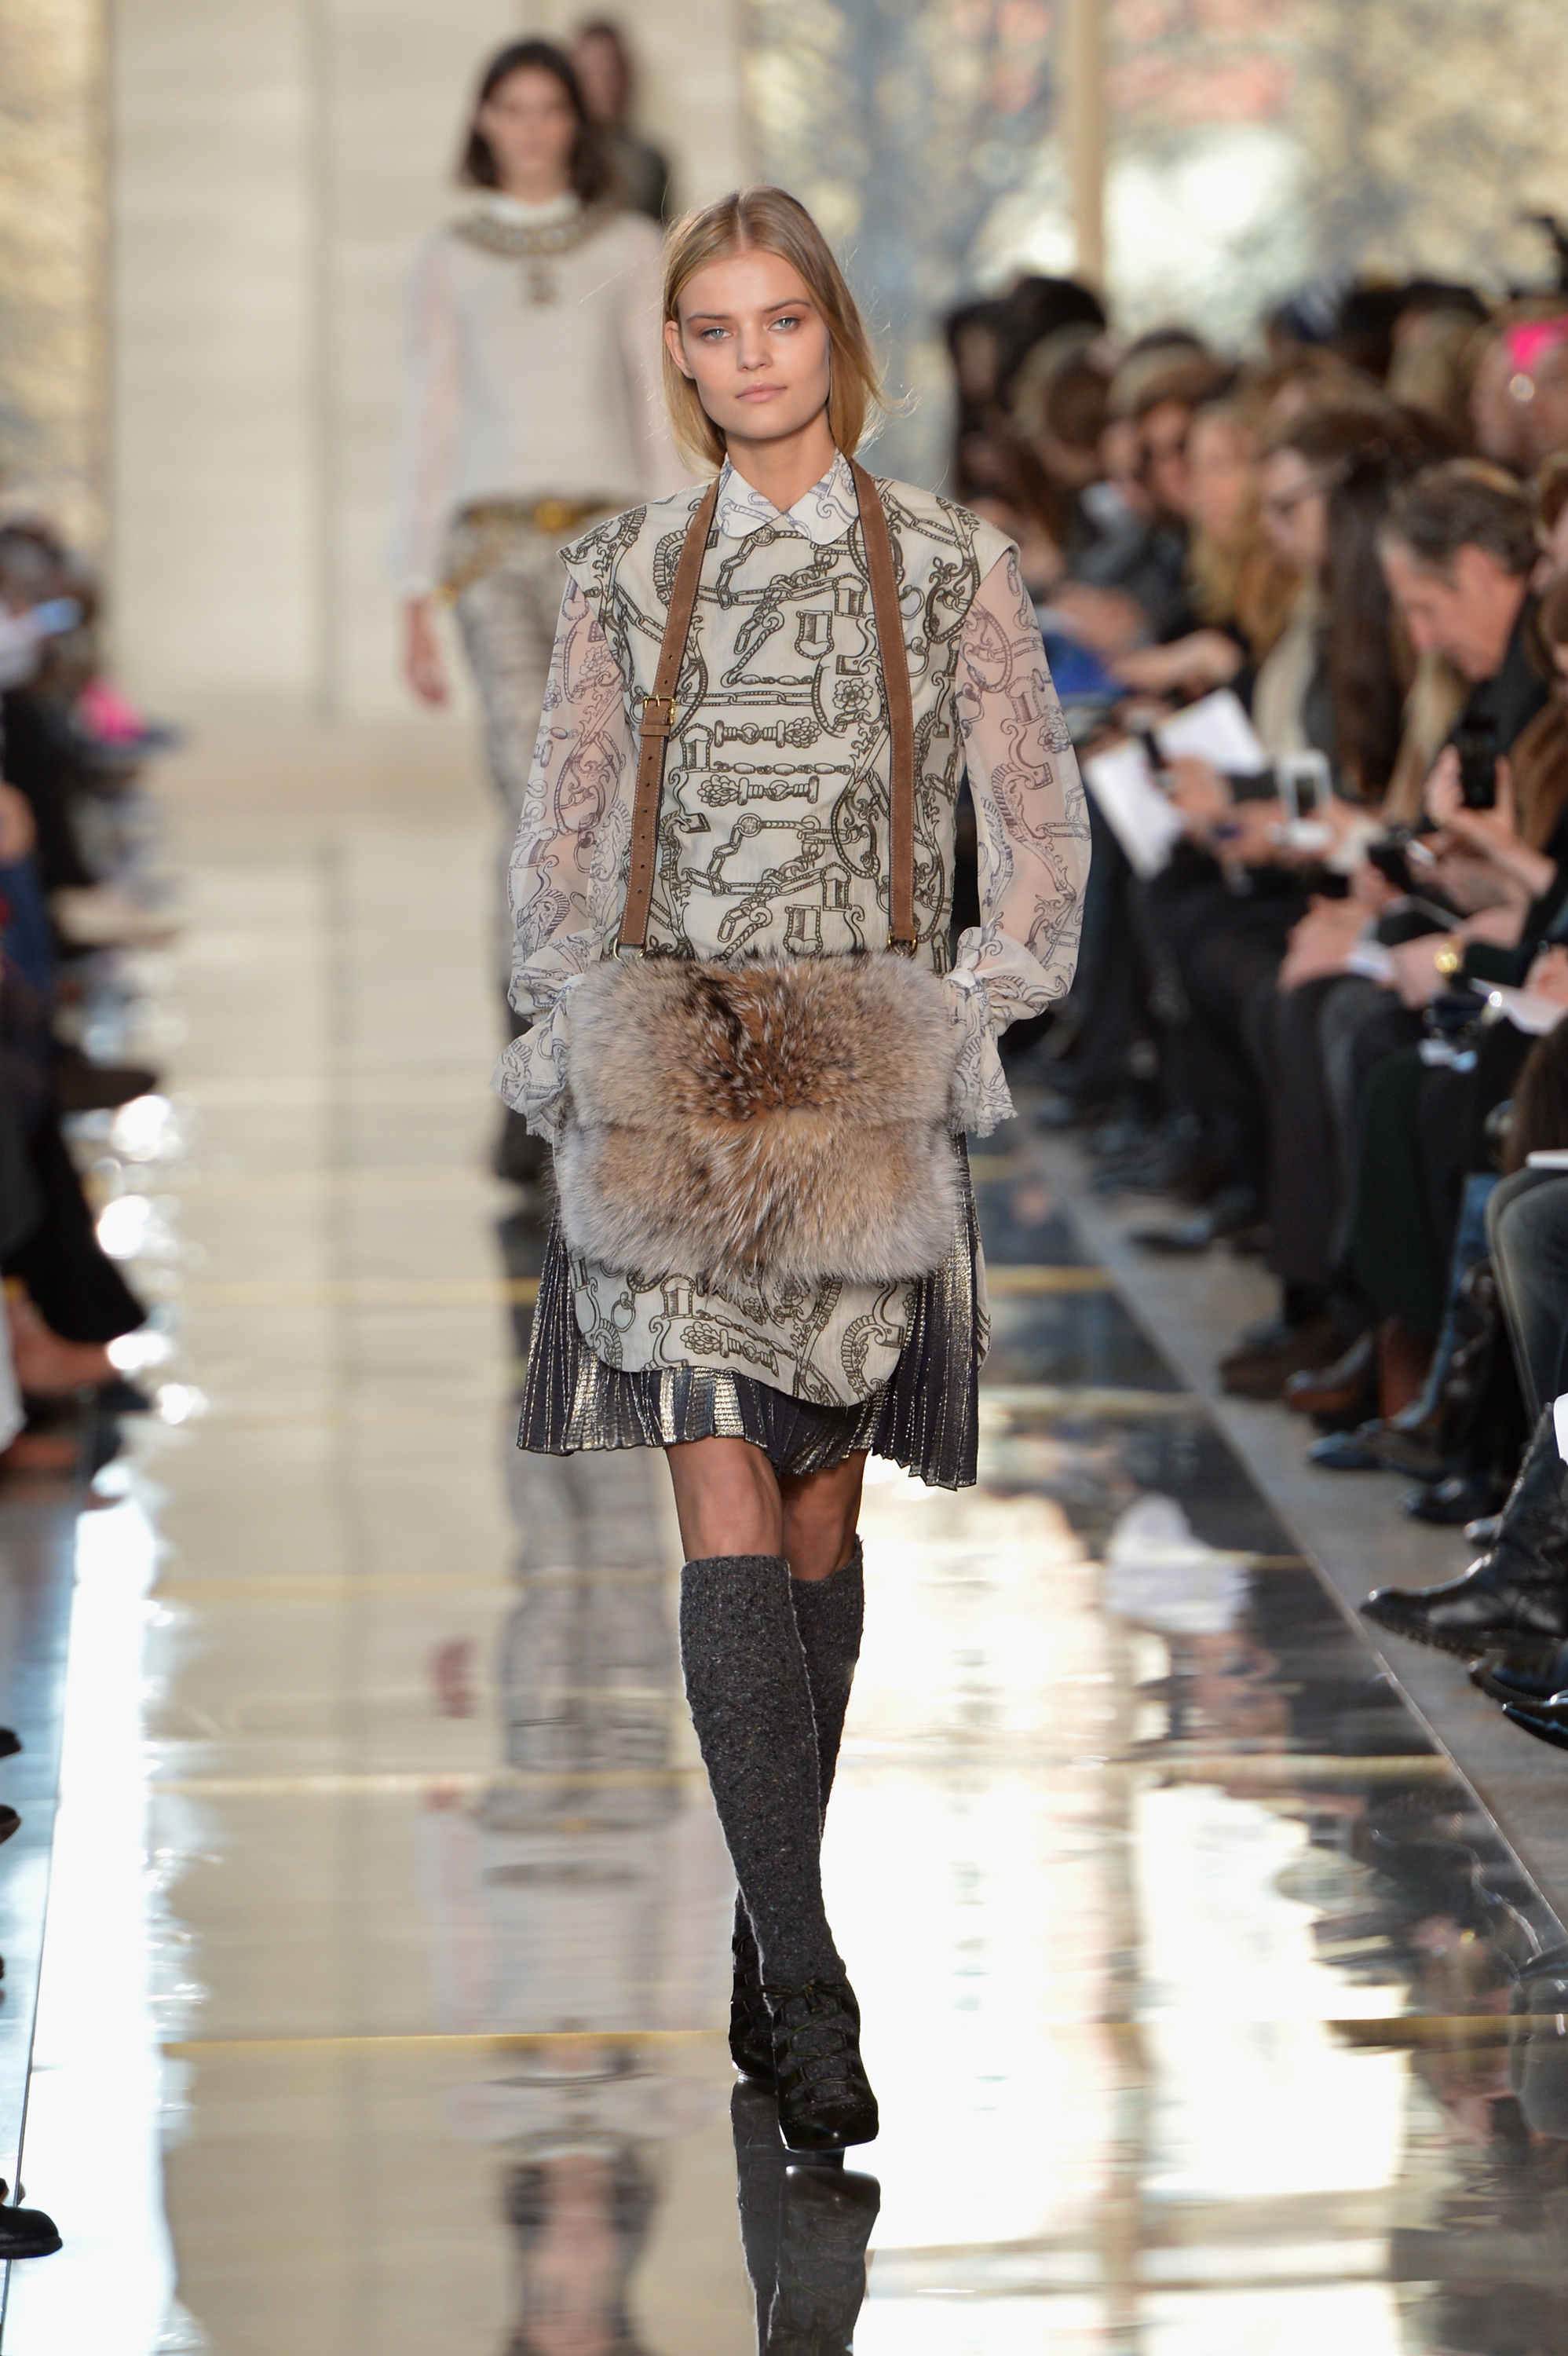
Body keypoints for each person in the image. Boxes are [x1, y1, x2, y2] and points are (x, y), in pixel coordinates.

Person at [494, 185, 1087, 2150]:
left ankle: (771, 1925)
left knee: (825, 1528)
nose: (751, 357)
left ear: (832, 332)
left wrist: (957, 1024)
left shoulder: (946, 570)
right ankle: (812, 1984)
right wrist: (576, 1029)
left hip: (860, 1091)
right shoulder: (625, 573)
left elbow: (1038, 835)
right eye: (714, 328)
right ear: (677, 353)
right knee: (726, 1508)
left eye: (781, 323)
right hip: (671, 1084)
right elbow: (564, 833)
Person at [390, 38, 689, 1176]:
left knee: (604, 804)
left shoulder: (626, 246)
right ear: (483, 122)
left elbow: (656, 414)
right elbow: (430, 420)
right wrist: (412, 590)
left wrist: (683, 558)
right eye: (507, 108)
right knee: (534, 792)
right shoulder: (447, 257)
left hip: (608, 548)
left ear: (579, 121)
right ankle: (540, 1063)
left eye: (547, 108)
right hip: (492, 553)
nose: (528, 128)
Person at [571, 18, 672, 223]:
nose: (603, 85)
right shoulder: (557, 154)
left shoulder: (646, 161)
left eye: (611, 73)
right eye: (591, 73)